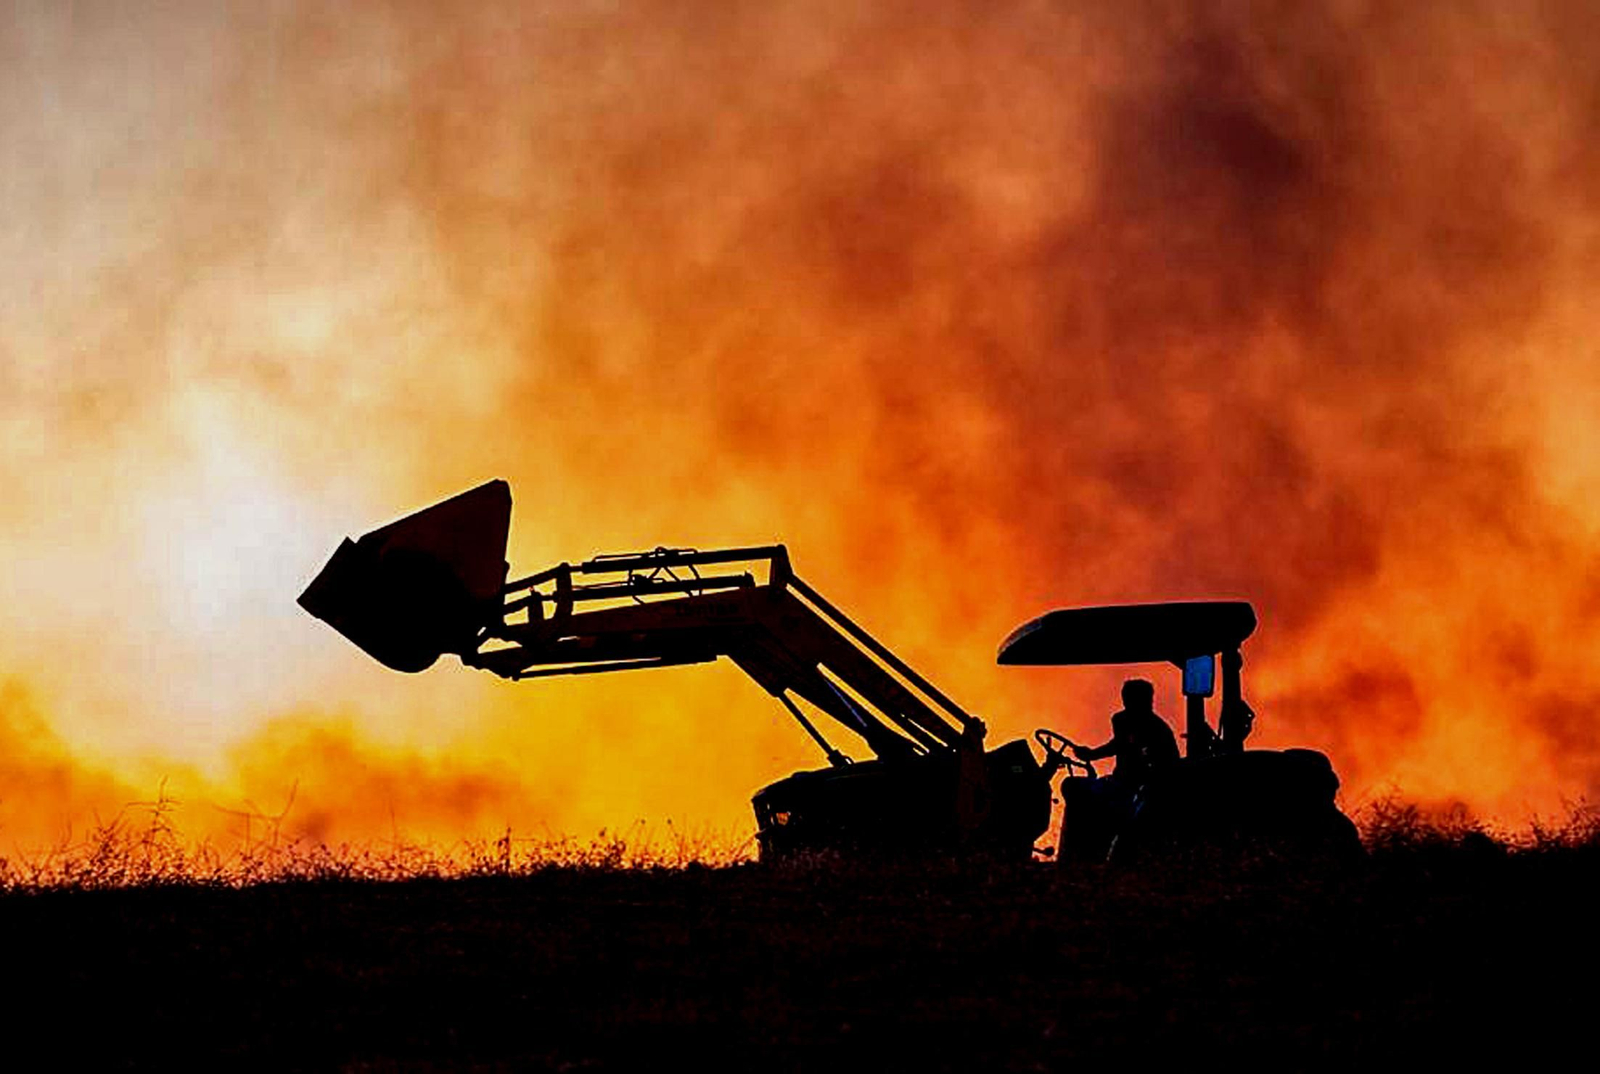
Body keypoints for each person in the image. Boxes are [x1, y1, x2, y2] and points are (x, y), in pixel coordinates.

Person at [1073, 679, 1180, 790]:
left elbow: (1120, 745)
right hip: (1124, 782)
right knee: (1072, 784)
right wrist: (1092, 754)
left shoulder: (1157, 728)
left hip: (1142, 786)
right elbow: (1119, 743)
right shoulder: (1122, 719)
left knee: (1074, 786)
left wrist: (1092, 754)